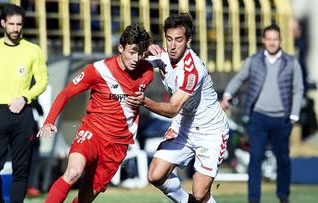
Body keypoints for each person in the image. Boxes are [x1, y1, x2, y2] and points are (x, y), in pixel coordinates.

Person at [37, 23, 153, 203]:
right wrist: (49, 120)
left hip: (118, 145)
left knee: (85, 199)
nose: (135, 58)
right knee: (73, 172)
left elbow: (165, 55)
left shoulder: (147, 72)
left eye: (140, 53)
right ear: (120, 48)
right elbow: (66, 93)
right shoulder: (98, 70)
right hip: (93, 133)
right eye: (131, 52)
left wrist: (157, 50)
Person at [127, 13, 229, 203]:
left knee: (199, 193)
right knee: (155, 175)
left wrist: (145, 102)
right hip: (184, 125)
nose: (173, 46)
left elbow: (173, 108)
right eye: (169, 39)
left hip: (211, 131)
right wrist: (143, 51)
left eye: (179, 40)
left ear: (188, 40)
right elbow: (131, 64)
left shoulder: (193, 71)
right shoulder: (163, 54)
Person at [0, 4, 48, 203]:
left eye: (19, 24)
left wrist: (25, 98)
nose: (15, 28)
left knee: (21, 169)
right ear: (3, 23)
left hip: (23, 114)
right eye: (11, 24)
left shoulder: (33, 51)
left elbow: (42, 81)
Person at [220, 24, 304, 203]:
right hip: (258, 117)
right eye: (269, 39)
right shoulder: (254, 60)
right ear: (264, 40)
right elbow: (239, 78)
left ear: (280, 40)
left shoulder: (291, 62)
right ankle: (254, 200)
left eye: (275, 39)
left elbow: (298, 89)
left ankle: (283, 196)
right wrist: (227, 95)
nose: (272, 43)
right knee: (255, 159)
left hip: (282, 118)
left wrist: (294, 116)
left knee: (282, 159)